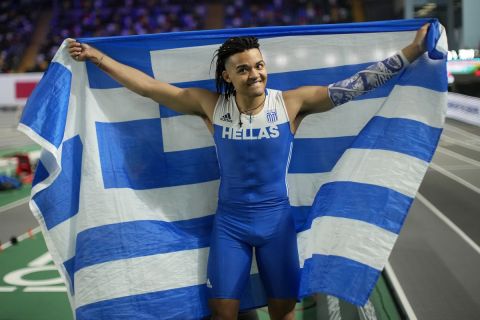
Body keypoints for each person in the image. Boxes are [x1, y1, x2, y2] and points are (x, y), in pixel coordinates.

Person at [67, 23, 429, 320]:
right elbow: (146, 87)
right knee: (222, 312)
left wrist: (411, 52)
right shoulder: (209, 105)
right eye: (243, 68)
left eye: (258, 65)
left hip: (277, 225)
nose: (255, 73)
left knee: (284, 313)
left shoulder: (291, 103)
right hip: (230, 225)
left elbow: (354, 86)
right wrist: (98, 57)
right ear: (227, 75)